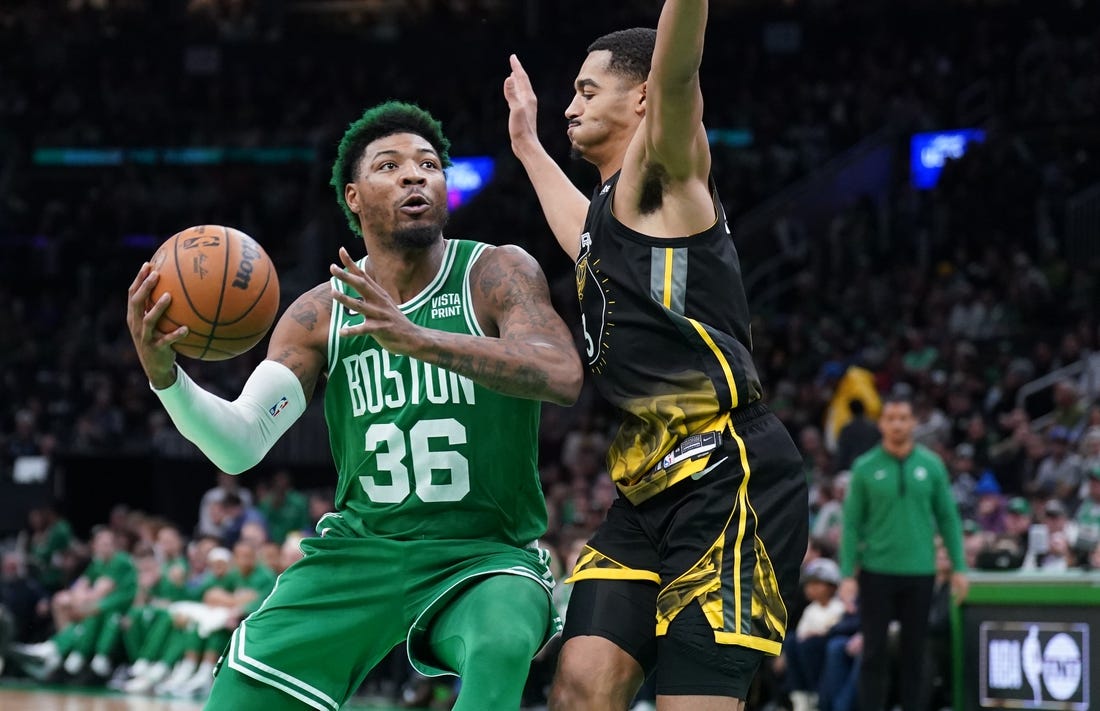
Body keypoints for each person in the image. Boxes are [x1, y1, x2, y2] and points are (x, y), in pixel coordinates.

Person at [125, 100, 583, 710]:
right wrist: (166, 377)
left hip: (485, 554)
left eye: (428, 164)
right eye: (389, 166)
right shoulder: (318, 314)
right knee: (237, 697)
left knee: (501, 641)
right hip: (360, 552)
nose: (414, 175)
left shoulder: (494, 271)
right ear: (354, 197)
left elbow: (560, 372)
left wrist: (421, 339)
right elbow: (239, 445)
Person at [504, 3, 809, 708]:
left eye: (587, 90)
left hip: (729, 479)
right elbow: (579, 234)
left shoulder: (666, 171)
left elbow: (679, 65)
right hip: (647, 485)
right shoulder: (614, 211)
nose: (570, 105)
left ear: (641, 98)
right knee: (579, 685)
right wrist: (524, 143)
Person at [838, 394, 970, 711]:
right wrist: (846, 575)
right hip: (875, 571)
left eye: (903, 418)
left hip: (920, 571)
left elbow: (949, 518)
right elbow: (851, 524)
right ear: (882, 424)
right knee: (874, 653)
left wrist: (960, 567)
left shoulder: (932, 465)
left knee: (915, 652)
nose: (897, 424)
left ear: (913, 423)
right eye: (891, 418)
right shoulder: (865, 467)